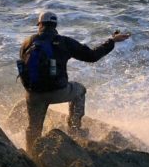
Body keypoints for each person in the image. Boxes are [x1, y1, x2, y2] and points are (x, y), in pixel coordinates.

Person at [19, 11, 130, 155]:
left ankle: (30, 156)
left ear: (40, 25)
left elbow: (24, 65)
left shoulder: (27, 42)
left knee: (33, 128)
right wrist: (111, 41)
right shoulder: (65, 42)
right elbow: (92, 56)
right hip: (57, 91)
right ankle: (74, 129)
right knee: (80, 90)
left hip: (33, 94)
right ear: (55, 25)